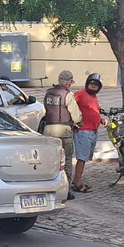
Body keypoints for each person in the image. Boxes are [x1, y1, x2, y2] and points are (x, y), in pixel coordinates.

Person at [42, 70, 83, 200]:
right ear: (69, 83)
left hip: (48, 130)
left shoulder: (48, 93)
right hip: (64, 130)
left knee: (50, 160)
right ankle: (65, 191)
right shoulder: (68, 95)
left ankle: (48, 187)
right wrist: (78, 123)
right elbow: (77, 117)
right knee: (66, 161)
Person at [71, 73, 107, 193]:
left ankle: (77, 179)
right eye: (91, 84)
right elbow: (70, 105)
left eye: (95, 85)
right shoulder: (80, 94)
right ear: (87, 84)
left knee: (85, 157)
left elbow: (94, 111)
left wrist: (101, 120)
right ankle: (77, 183)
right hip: (83, 131)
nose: (93, 87)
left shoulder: (94, 97)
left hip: (92, 130)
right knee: (81, 158)